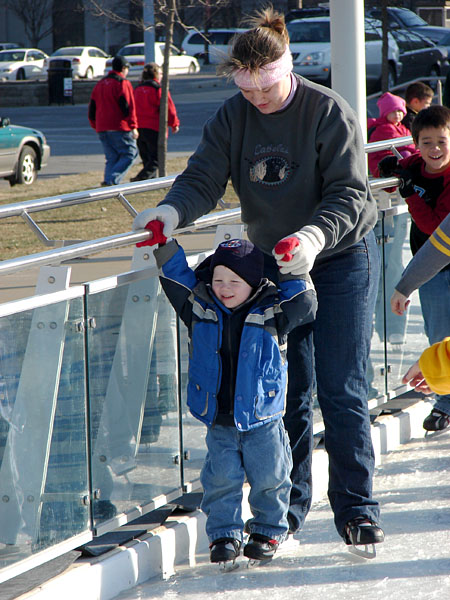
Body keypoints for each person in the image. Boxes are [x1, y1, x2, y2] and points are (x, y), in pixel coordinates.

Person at [132, 7, 385, 553]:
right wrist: (170, 215)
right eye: (248, 91)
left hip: (337, 259)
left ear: (285, 70)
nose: (258, 100)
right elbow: (203, 177)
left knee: (341, 387)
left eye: (266, 88)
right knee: (286, 391)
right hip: (272, 267)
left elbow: (349, 192)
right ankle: (286, 514)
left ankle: (357, 509)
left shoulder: (327, 111)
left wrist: (314, 237)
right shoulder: (233, 116)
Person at [147, 225, 317, 564]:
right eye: (219, 280)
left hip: (262, 417)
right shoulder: (199, 307)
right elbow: (178, 279)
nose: (224, 289)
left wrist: (292, 266)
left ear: (253, 283)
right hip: (219, 416)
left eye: (234, 282)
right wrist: (164, 246)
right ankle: (224, 534)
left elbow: (304, 303)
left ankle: (268, 530)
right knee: (221, 479)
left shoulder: (272, 311)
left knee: (271, 476)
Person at [381, 105, 450, 433]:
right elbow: (405, 166)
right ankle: (445, 401)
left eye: (443, 141)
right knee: (438, 334)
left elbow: (438, 227)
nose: (435, 149)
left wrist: (409, 194)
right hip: (430, 267)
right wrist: (391, 171)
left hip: (436, 254)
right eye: (427, 142)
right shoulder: (417, 164)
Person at [88, 55, 138, 186]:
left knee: (112, 157)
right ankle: (112, 181)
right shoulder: (122, 83)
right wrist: (133, 126)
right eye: (127, 68)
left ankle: (107, 182)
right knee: (130, 153)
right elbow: (128, 106)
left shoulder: (100, 84)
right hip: (118, 126)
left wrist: (95, 125)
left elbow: (92, 108)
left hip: (102, 126)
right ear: (123, 68)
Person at [131, 63, 180, 182]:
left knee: (146, 157)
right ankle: (142, 178)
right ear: (157, 75)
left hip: (139, 126)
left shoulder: (137, 89)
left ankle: (149, 180)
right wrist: (174, 123)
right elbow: (168, 108)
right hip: (154, 127)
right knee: (157, 158)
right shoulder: (158, 90)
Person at [367, 92, 416, 177]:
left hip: (392, 160)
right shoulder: (384, 128)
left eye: (399, 111)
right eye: (393, 112)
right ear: (385, 113)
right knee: (406, 155)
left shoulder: (402, 127)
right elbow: (403, 145)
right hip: (382, 164)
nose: (397, 114)